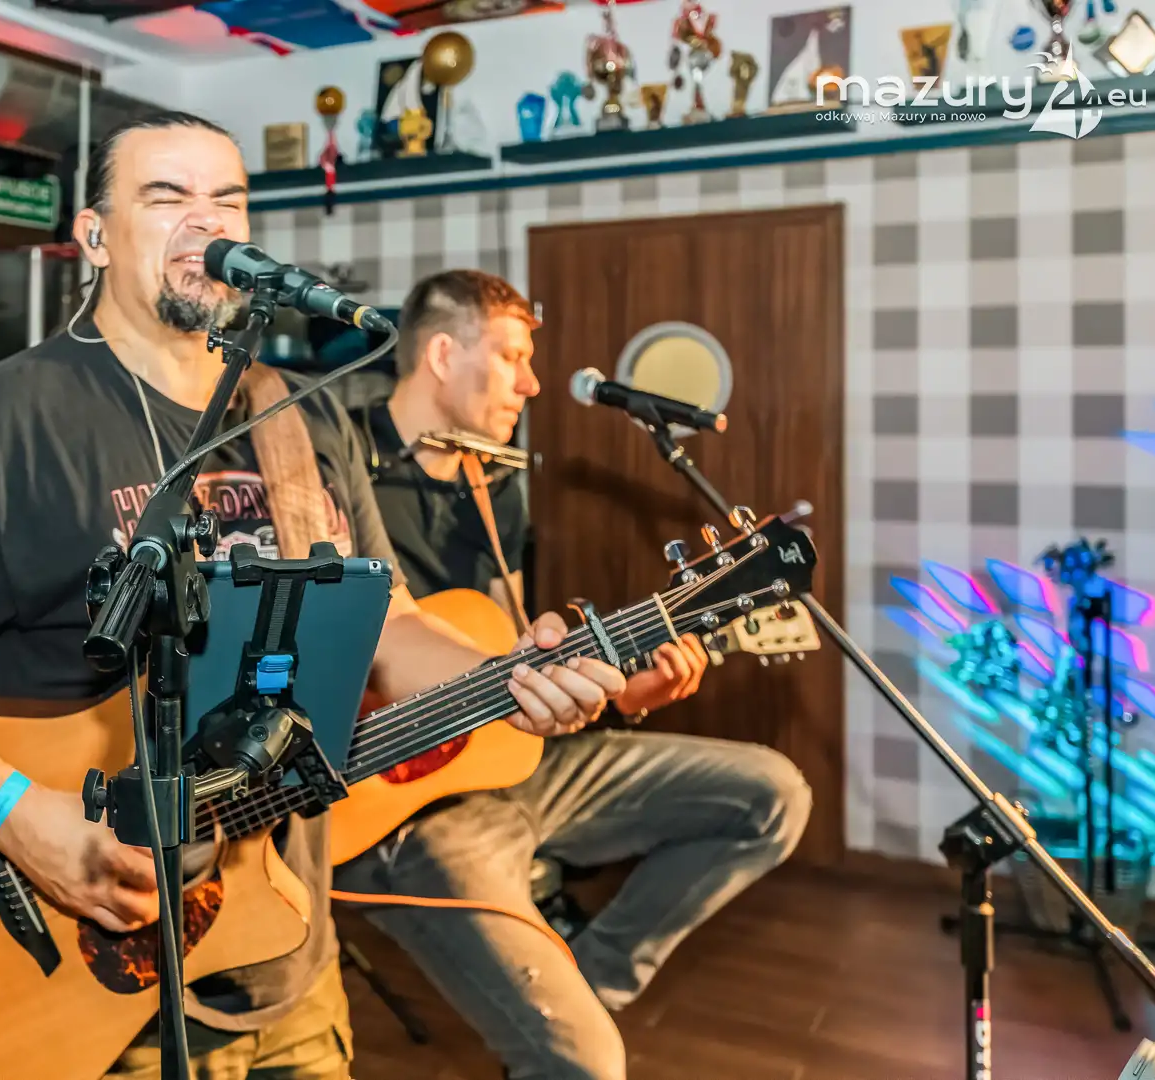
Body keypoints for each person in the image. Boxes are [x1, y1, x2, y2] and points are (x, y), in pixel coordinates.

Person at [0, 114, 690, 1080]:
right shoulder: (1, 418)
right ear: (94, 236)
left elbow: (389, 628)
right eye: (167, 196)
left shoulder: (299, 416)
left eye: (228, 200)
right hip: (83, 983)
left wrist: (513, 675)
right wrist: (19, 820)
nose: (206, 221)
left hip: (281, 946)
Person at [335, 268, 815, 1080]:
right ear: (443, 355)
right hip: (399, 812)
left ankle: (587, 983)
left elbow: (512, 645)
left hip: (516, 764)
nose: (532, 383)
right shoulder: (333, 461)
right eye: (513, 357)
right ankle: (565, 1030)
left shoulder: (495, 483)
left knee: (772, 794)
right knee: (587, 1066)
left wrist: (625, 693)